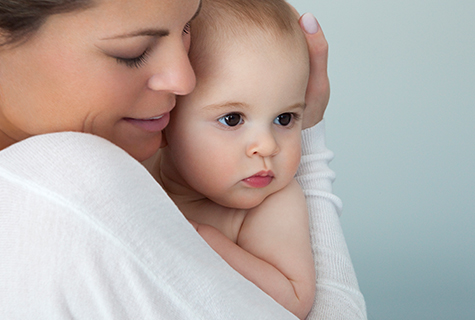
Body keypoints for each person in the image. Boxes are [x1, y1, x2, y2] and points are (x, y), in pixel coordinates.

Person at [0, 0, 367, 319]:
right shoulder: (60, 184)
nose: (185, 80)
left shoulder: (137, 165)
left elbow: (293, 298)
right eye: (134, 50)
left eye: (187, 28)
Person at [153, 0, 314, 318]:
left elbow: (294, 301)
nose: (267, 147)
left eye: (284, 118)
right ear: (166, 117)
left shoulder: (273, 203)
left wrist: (200, 241)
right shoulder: (132, 169)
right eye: (232, 119)